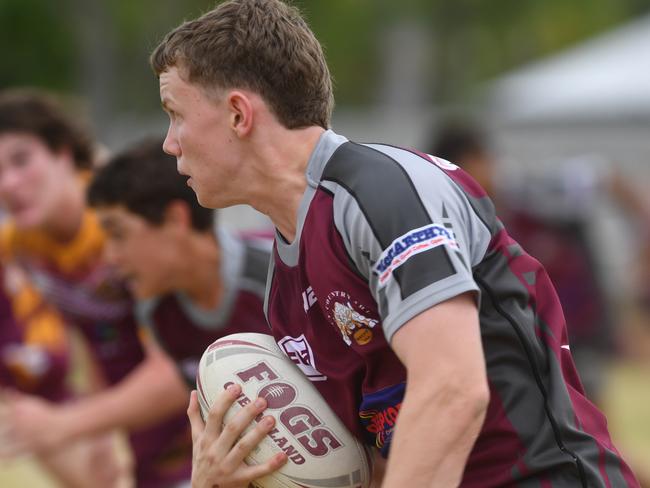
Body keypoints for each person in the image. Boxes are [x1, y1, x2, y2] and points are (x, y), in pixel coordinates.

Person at [150, 1, 640, 486]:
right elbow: (370, 466)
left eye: (176, 114)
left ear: (238, 114)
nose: (170, 143)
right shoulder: (286, 284)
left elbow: (454, 389)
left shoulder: (381, 197)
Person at [0, 89, 193, 487]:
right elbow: (90, 339)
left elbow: (180, 367)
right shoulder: (21, 244)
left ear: (64, 153)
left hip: (205, 416)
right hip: (138, 429)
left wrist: (67, 425)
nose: (9, 183)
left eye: (21, 159)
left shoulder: (122, 218)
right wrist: (100, 431)